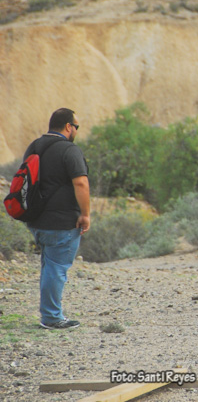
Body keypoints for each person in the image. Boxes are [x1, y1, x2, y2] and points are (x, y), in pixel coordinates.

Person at [24, 108, 90, 329]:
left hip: (36, 220)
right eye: (76, 127)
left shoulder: (34, 147)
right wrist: (85, 214)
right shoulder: (70, 150)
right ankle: (51, 317)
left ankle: (49, 313)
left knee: (50, 266)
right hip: (61, 223)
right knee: (56, 269)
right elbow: (81, 183)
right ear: (68, 127)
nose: (76, 131)